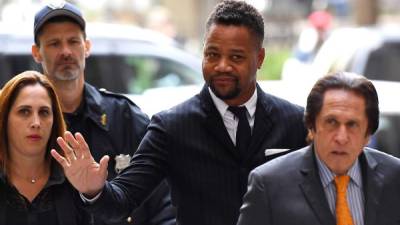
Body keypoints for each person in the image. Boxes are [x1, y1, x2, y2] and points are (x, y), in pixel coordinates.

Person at [51, 1, 308, 225]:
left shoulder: (295, 122)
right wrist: (94, 189)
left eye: (236, 57)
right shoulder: (171, 127)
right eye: (212, 54)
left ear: (260, 57)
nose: (222, 66)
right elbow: (124, 199)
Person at [30, 2, 175, 225]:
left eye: (73, 41)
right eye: (54, 43)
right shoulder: (23, 124)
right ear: (36, 52)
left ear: (86, 46)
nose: (66, 51)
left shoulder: (125, 117)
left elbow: (163, 199)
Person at [237, 72, 400, 225]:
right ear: (311, 127)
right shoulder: (268, 185)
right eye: (331, 122)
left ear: (368, 134)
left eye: (352, 125)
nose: (341, 137)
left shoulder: (395, 178)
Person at [0, 71, 89, 224]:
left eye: (44, 112)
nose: (36, 122)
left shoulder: (75, 181)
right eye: (24, 111)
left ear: (54, 121)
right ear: (4, 118)